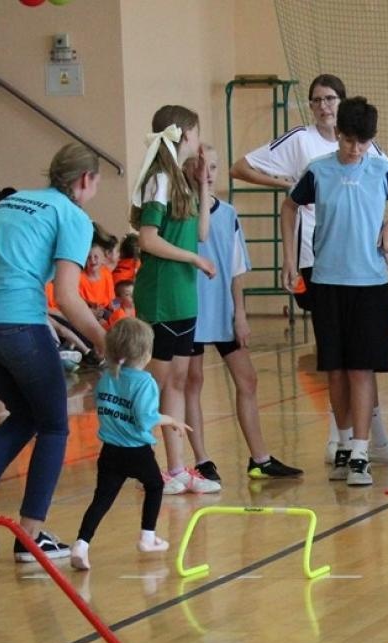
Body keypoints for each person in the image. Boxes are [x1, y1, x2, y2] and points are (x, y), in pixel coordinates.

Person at [0, 144, 109, 561]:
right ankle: (30, 536)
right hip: (16, 323)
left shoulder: (12, 201)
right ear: (85, 180)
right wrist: (105, 342)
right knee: (54, 424)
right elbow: (69, 298)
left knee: (26, 414)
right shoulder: (72, 215)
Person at [233, 72, 388, 463]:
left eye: (330, 99)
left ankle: (366, 439)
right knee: (336, 359)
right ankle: (343, 439)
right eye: (317, 100)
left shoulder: (371, 154)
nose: (324, 106)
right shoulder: (303, 145)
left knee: (359, 360)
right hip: (318, 262)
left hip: (363, 267)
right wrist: (286, 185)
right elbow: (241, 168)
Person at [281, 96, 388, 487]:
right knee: (334, 370)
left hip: (370, 283)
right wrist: (290, 258)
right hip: (327, 281)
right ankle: (340, 441)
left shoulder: (381, 168)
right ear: (337, 134)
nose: (356, 149)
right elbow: (289, 208)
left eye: (363, 142)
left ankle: (360, 449)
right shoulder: (318, 171)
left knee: (361, 368)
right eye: (349, 140)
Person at [182, 145, 302, 482]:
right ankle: (202, 459)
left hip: (223, 311)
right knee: (193, 382)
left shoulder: (229, 213)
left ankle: (260, 459)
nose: (208, 173)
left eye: (214, 167)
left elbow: (236, 269)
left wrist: (240, 313)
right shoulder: (182, 213)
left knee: (247, 380)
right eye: (201, 167)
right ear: (189, 171)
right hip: (191, 312)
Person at [131, 104, 219, 496]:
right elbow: (148, 239)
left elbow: (201, 232)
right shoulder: (159, 181)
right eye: (196, 134)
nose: (198, 142)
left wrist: (203, 183)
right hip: (163, 294)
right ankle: (145, 463)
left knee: (179, 381)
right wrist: (193, 260)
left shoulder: (181, 181)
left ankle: (178, 468)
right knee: (157, 382)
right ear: (184, 134)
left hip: (185, 296)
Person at [71, 317, 189, 572]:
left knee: (101, 500)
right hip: (137, 451)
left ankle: (81, 544)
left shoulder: (107, 377)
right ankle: (148, 536)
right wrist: (171, 419)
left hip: (110, 451)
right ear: (146, 353)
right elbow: (145, 419)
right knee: (155, 485)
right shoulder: (144, 381)